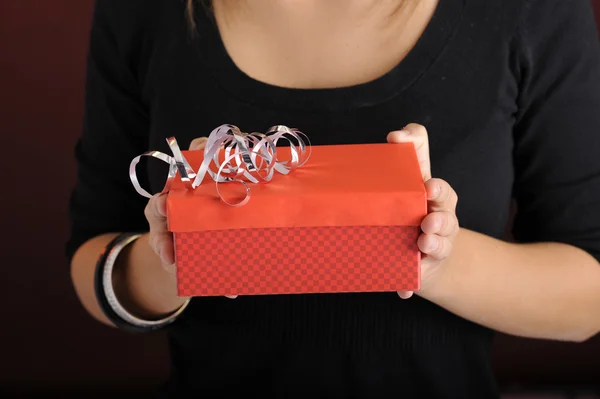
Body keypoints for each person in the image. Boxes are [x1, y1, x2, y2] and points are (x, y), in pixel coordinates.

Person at [67, 0, 600, 397]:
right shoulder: (142, 12)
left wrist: (435, 264)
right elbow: (93, 257)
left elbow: (588, 296)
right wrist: (179, 260)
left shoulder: (531, 12)